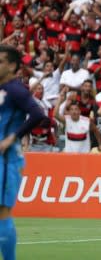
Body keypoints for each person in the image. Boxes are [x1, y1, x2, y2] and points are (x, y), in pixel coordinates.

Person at [0, 45, 47, 260]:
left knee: (3, 213)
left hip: (7, 159)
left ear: (11, 65)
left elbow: (38, 114)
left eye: (1, 61)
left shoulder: (16, 90)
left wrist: (13, 137)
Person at [54, 87, 101, 153]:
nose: (74, 112)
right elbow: (55, 115)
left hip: (84, 156)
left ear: (80, 111)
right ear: (69, 112)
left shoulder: (87, 121)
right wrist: (60, 100)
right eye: (72, 109)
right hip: (70, 155)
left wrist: (100, 144)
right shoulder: (66, 120)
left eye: (76, 109)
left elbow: (96, 131)